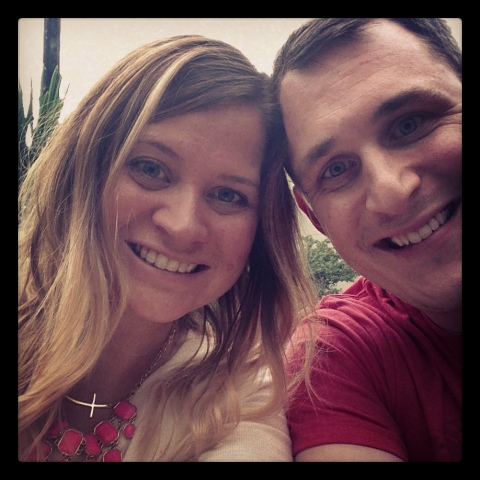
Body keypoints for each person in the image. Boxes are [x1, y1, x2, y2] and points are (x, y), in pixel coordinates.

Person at [18, 34, 316, 462]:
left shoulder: (243, 399)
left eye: (228, 195)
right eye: (150, 168)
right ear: (83, 168)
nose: (182, 226)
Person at [271, 18, 462, 462]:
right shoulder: (338, 356)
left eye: (410, 124)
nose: (392, 193)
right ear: (315, 217)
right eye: (336, 170)